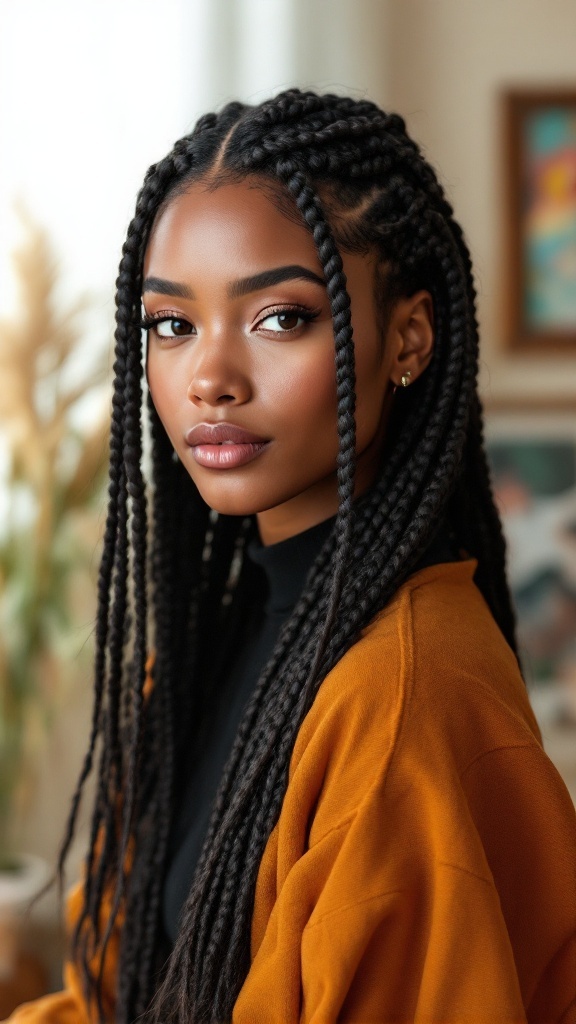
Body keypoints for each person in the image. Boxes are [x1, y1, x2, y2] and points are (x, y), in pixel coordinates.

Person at [6, 89, 576, 1024]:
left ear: (409, 337)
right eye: (171, 325)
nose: (210, 379)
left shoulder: (402, 702)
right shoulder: (209, 652)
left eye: (279, 318)